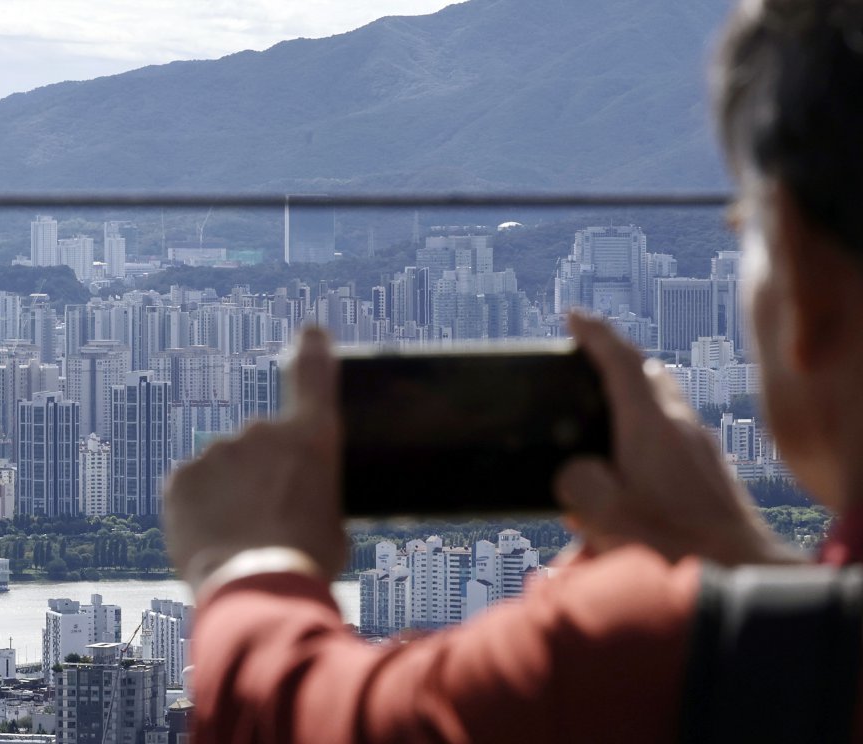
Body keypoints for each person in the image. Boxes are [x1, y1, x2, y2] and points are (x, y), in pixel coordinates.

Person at [164, 0, 863, 741]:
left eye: (744, 229)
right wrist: (744, 562)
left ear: (797, 268)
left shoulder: (633, 655)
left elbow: (312, 720)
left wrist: (243, 565)